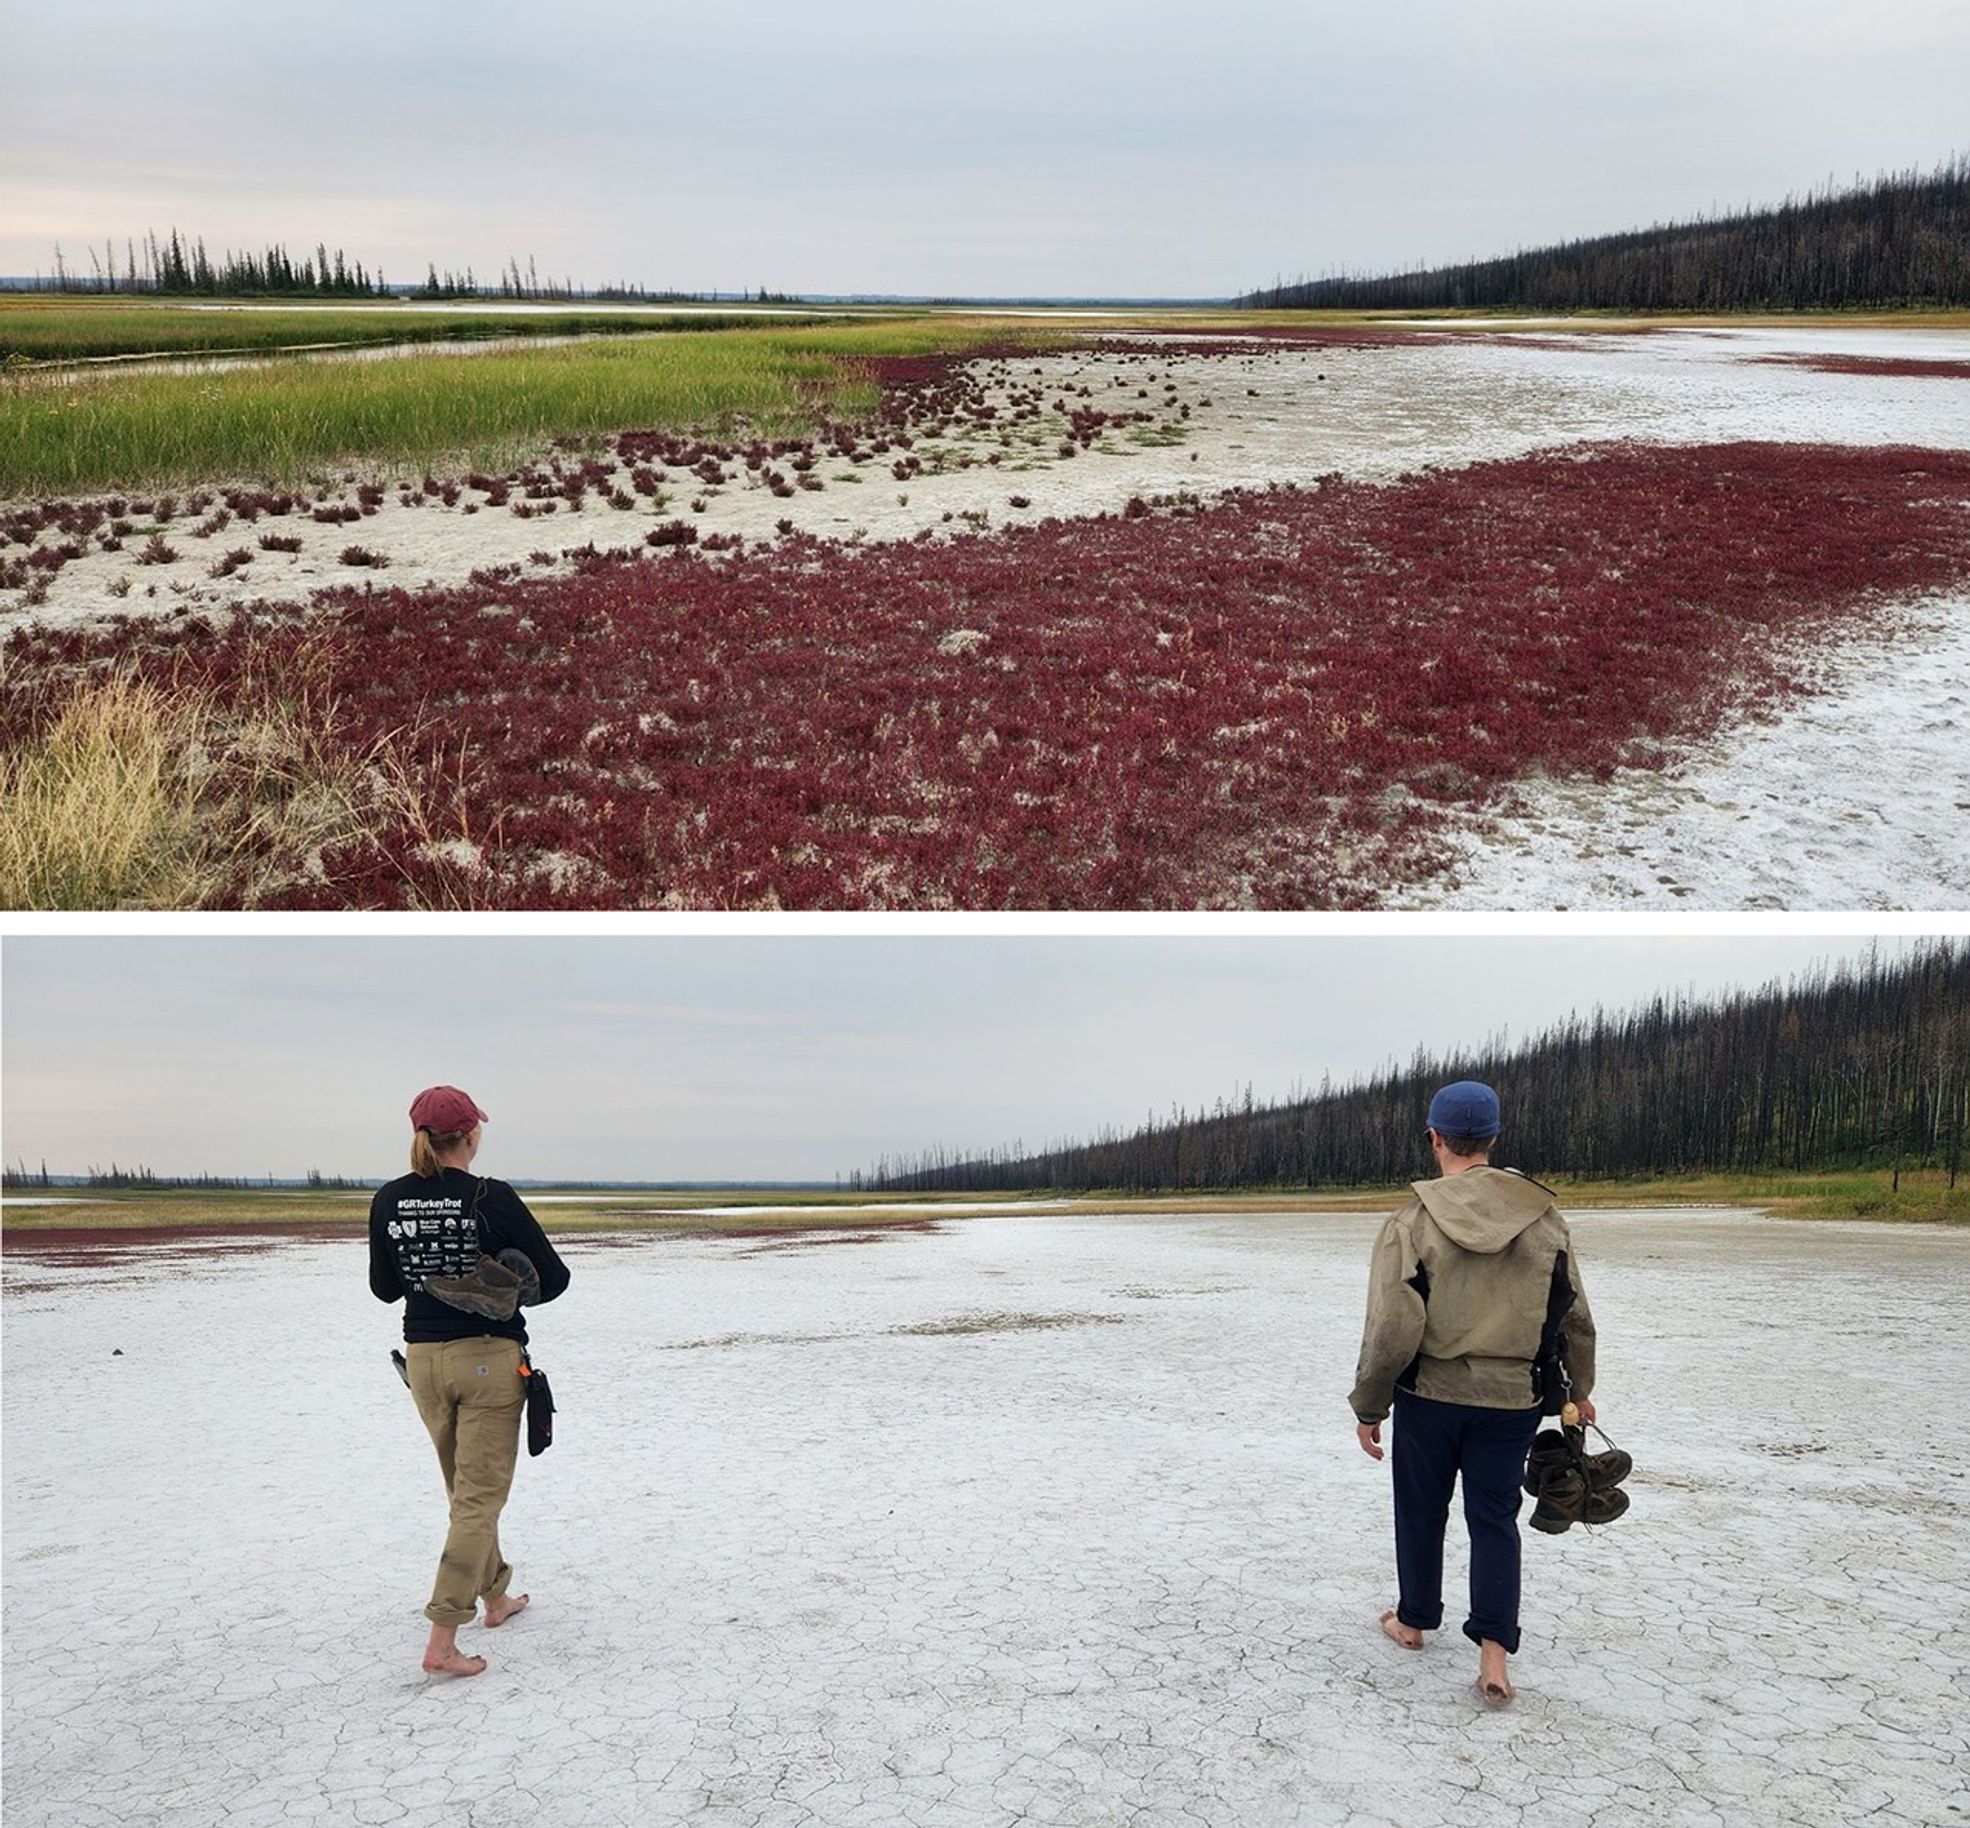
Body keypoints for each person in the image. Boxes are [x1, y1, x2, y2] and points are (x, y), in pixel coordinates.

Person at [1348, 1080, 1596, 1707]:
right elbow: (1573, 1317)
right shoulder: (1545, 1220)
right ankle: (1494, 1658)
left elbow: (1392, 1326)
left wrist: (1370, 1405)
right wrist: (1578, 1393)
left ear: (1434, 1139)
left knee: (1420, 1510)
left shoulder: (1412, 1222)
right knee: (1494, 1522)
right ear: (1492, 1139)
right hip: (1511, 1400)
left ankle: (1413, 1621)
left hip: (1431, 1398)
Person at [370, 1085, 571, 1678]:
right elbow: (554, 1280)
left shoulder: (390, 1199)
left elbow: (385, 1288)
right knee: (479, 1500)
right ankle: (442, 1640)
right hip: (487, 1359)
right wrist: (505, 1274)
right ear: (471, 1136)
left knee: (467, 1495)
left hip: (425, 1362)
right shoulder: (492, 1197)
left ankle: (497, 1595)